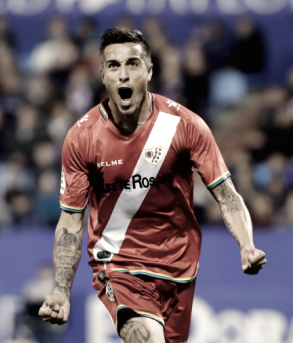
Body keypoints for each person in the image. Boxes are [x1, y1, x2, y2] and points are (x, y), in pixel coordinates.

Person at [38, 27, 267, 343]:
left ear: (149, 70)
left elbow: (226, 194)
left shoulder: (185, 126)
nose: (123, 75)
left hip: (179, 264)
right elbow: (71, 220)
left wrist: (246, 244)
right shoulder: (83, 138)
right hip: (118, 265)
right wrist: (61, 290)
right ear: (102, 74)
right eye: (114, 66)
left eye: (132, 64)